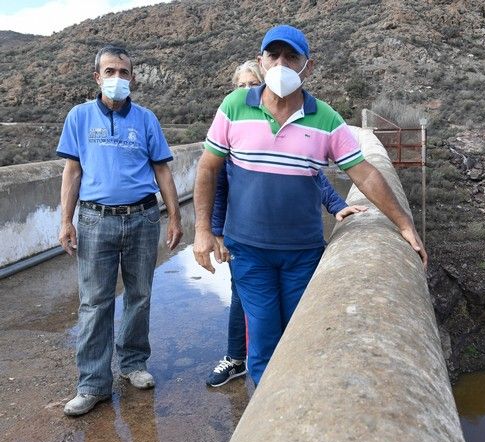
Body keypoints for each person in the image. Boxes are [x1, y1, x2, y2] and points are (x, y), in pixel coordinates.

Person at [193, 25, 427, 385]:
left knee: (300, 336)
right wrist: (203, 231)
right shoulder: (235, 106)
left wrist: (404, 224)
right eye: (274, 56)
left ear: (308, 66)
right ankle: (270, 423)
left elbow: (363, 172)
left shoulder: (326, 118)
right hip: (249, 253)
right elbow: (208, 169)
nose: (281, 64)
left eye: (292, 57)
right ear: (262, 61)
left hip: (302, 253)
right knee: (265, 342)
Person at [205, 60, 366, 386]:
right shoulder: (233, 121)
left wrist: (338, 206)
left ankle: (253, 367)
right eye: (242, 85)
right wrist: (214, 233)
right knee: (253, 310)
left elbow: (311, 176)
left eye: (254, 83)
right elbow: (217, 187)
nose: (248, 90)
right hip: (245, 241)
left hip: (291, 247)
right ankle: (241, 364)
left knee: (267, 313)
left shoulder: (298, 119)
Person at [57, 45, 183, 416]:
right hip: (96, 219)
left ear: (133, 78)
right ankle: (93, 383)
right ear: (97, 77)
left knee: (139, 294)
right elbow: (72, 171)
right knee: (94, 302)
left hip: (143, 218)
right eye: (110, 71)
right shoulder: (79, 117)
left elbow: (162, 170)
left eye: (124, 72)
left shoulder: (146, 119)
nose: (117, 79)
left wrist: (174, 217)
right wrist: (66, 220)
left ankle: (133, 365)